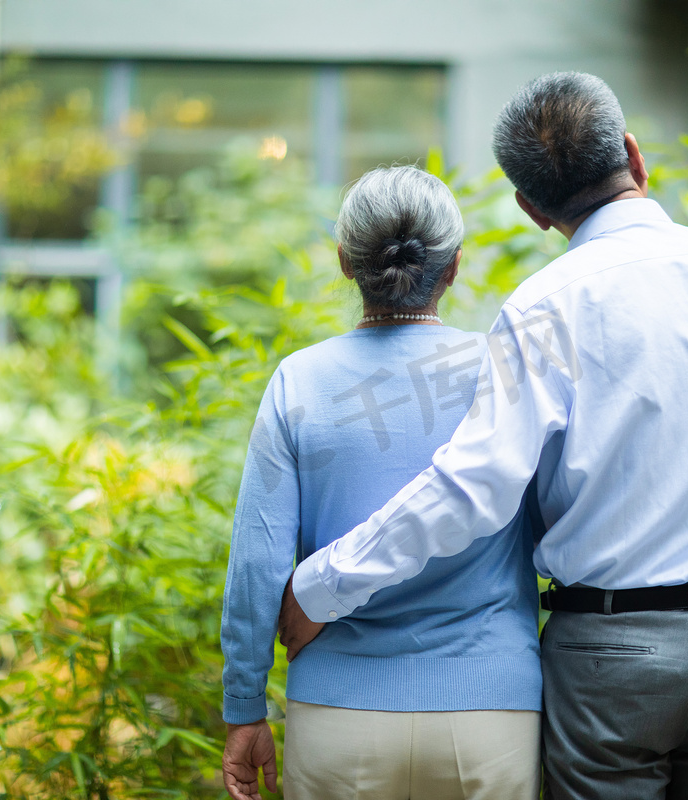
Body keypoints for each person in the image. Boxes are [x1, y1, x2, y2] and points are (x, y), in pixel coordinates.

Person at [279, 72, 688, 800]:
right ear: (635, 157)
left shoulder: (543, 307)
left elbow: (473, 486)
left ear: (532, 210)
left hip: (610, 655)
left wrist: (321, 584)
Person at [219, 166, 543, 800]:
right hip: (491, 716)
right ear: (452, 267)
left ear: (345, 262)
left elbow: (257, 560)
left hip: (337, 717)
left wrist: (244, 707)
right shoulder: (505, 373)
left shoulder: (299, 381)